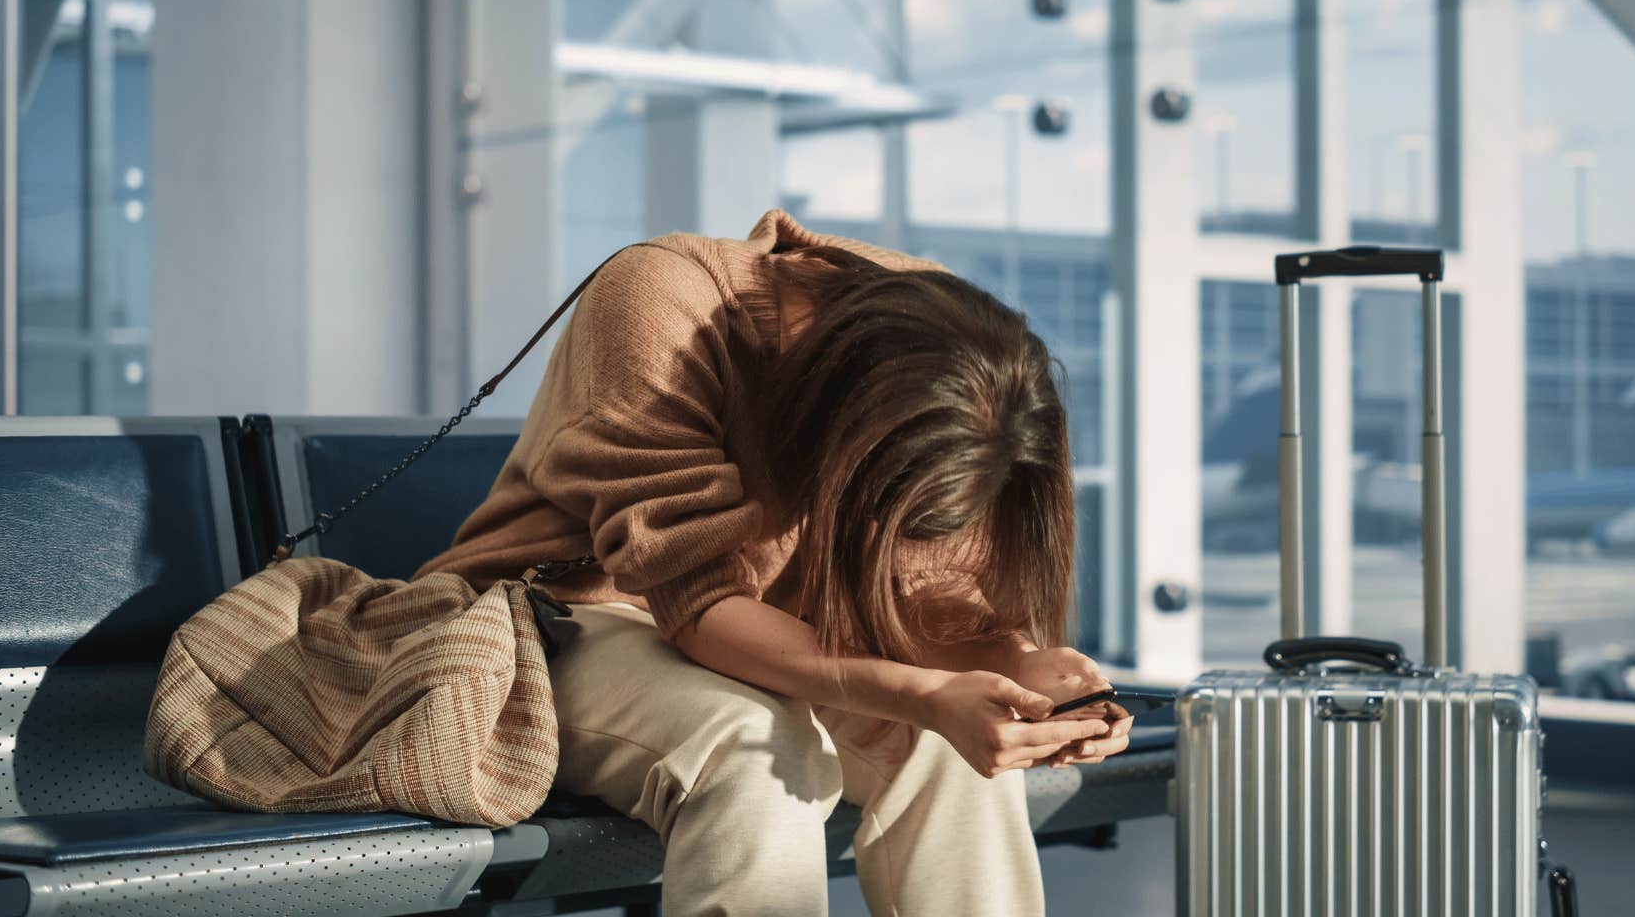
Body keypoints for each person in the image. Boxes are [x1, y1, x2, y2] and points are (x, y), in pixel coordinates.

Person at [416, 209, 1132, 916]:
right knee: (753, 745)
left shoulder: (951, 347)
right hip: (568, 617)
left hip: (777, 633)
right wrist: (922, 692)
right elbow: (698, 605)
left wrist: (1018, 663)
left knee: (952, 750)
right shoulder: (662, 300)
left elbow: (926, 581)